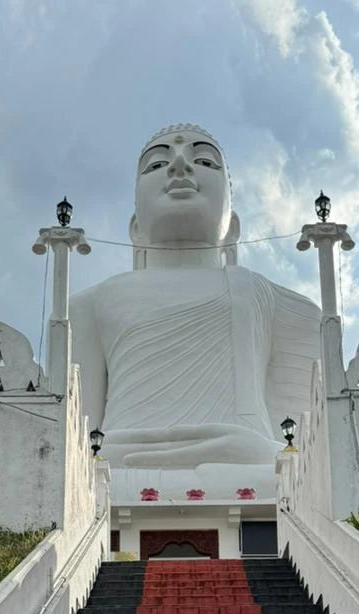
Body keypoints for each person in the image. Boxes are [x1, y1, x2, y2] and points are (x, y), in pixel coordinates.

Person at [70, 124, 320, 495]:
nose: (180, 166)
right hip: (122, 468)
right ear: (136, 229)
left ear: (231, 228)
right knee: (89, 481)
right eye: (156, 165)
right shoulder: (88, 304)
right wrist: (104, 456)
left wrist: (257, 450)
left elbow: (305, 448)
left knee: (283, 480)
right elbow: (77, 440)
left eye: (203, 160)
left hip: (248, 467)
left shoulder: (273, 300)